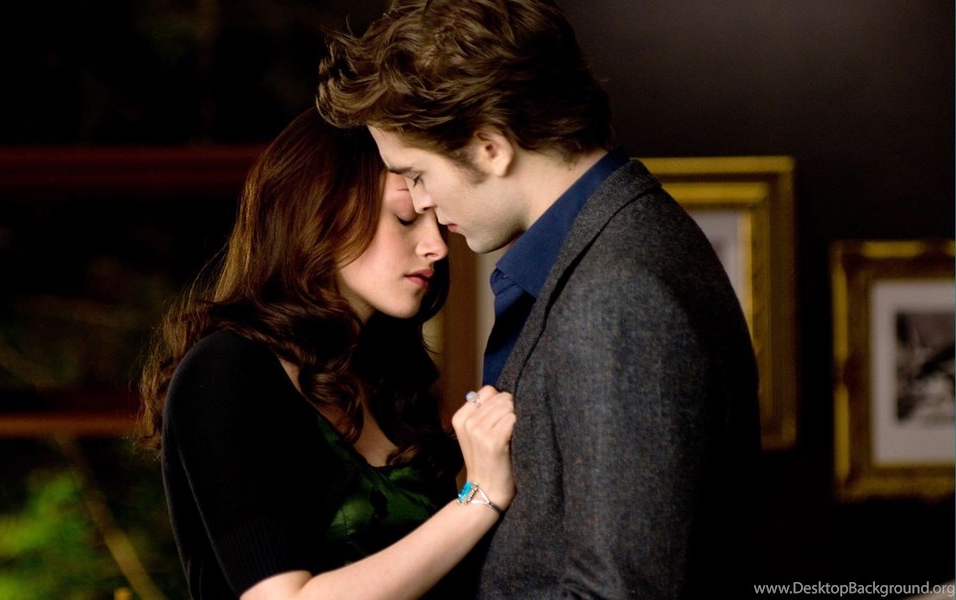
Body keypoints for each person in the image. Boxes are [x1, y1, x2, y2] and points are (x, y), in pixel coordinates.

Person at [317, 1, 761, 598]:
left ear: (489, 147)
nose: (419, 202)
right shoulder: (613, 246)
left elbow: (619, 591)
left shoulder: (616, 292)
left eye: (416, 173)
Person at [137, 107, 516, 600]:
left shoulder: (387, 378)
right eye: (405, 218)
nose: (436, 247)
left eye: (438, 222)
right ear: (323, 214)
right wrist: (480, 497)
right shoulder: (224, 370)